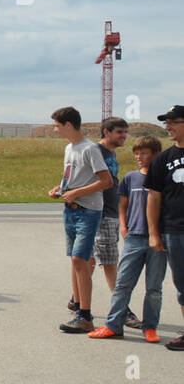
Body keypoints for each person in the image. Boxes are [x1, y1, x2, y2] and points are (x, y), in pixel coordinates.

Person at [88, 135, 164, 341]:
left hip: (158, 240)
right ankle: (113, 325)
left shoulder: (164, 177)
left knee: (154, 287)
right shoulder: (130, 178)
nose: (139, 157)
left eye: (144, 153)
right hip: (134, 237)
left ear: (156, 154)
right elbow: (123, 205)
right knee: (122, 284)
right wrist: (124, 227)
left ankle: (150, 327)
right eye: (136, 153)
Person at [49, 107, 114, 334]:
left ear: (68, 124)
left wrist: (77, 193)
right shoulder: (69, 148)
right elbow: (71, 175)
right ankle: (78, 305)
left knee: (80, 259)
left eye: (57, 125)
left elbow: (106, 181)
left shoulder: (90, 149)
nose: (54, 130)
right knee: (75, 261)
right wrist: (61, 188)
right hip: (71, 209)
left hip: (88, 210)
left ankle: (85, 316)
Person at [146, 105, 184, 351]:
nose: (167, 127)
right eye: (166, 123)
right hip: (175, 231)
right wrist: (153, 233)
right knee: (182, 284)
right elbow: (154, 198)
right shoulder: (163, 159)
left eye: (173, 122)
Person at [87, 118, 129, 309]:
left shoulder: (111, 153)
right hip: (101, 213)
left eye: (125, 132)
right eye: (120, 132)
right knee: (110, 261)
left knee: (92, 258)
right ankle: (122, 308)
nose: (124, 136)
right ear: (106, 132)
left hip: (111, 212)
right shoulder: (96, 151)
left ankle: (77, 297)